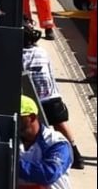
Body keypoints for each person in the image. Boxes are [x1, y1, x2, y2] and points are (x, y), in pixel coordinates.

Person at [22, 24, 84, 169]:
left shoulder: (19, 55)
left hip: (34, 99)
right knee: (60, 124)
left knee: (32, 130)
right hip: (52, 96)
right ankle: (76, 154)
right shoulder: (42, 52)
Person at [17, 95, 78, 189]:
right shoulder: (12, 138)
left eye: (19, 117)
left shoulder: (56, 142)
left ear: (31, 117)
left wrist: (11, 163)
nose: (15, 120)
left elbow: (49, 173)